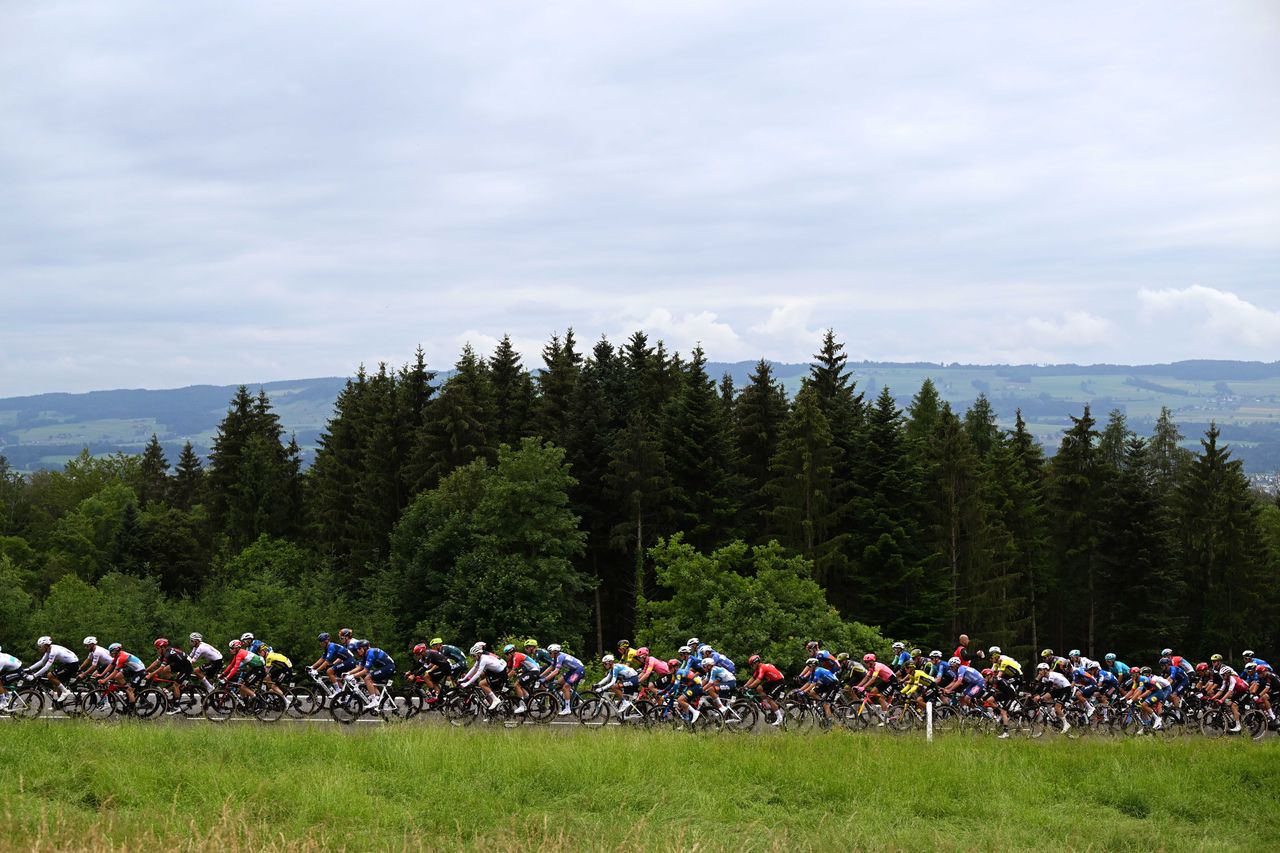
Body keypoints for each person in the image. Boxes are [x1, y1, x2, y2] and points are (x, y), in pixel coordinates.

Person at [24, 636, 79, 703]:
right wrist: (29, 668)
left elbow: (46, 667)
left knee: (50, 675)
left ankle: (65, 691)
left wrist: (34, 676)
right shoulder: (48, 649)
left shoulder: (53, 651)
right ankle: (59, 705)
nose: (40, 648)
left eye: (41, 646)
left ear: (46, 646)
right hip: (69, 663)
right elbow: (42, 662)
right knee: (57, 684)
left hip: (73, 664)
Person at [145, 638, 193, 709]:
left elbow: (160, 668)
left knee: (176, 685)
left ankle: (176, 707)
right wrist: (145, 670)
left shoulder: (168, 654)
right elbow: (156, 662)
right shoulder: (164, 652)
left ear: (162, 647)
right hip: (180, 664)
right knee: (165, 670)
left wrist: (150, 675)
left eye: (157, 648)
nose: (157, 650)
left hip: (186, 667)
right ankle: (174, 682)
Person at [539, 643, 585, 715]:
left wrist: (545, 679)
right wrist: (540, 675)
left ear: (555, 652)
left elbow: (556, 671)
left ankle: (567, 709)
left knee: (565, 687)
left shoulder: (560, 657)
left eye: (550, 652)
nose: (549, 654)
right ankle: (566, 696)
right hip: (573, 670)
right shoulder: (556, 657)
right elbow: (551, 667)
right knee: (558, 683)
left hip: (579, 671)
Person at [459, 642, 507, 711]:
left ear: (478, 654)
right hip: (495, 670)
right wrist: (464, 679)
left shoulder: (484, 659)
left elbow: (477, 673)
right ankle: (490, 701)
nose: (473, 658)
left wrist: (467, 683)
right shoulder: (480, 657)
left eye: (474, 656)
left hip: (500, 673)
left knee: (481, 684)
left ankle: (496, 699)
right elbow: (473, 668)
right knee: (482, 677)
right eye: (471, 656)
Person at [742, 655, 787, 726]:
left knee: (769, 698)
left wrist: (749, 687)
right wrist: (744, 686)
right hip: (773, 681)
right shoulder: (758, 668)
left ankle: (779, 717)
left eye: (752, 665)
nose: (751, 666)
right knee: (759, 688)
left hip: (779, 682)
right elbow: (753, 678)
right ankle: (768, 705)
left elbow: (758, 680)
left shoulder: (762, 668)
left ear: (756, 663)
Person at [1033, 662, 1074, 734]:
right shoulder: (1044, 678)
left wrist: (1039, 696)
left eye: (1041, 670)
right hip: (1059, 689)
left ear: (1046, 670)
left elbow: (1047, 688)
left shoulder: (1051, 675)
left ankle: (1066, 724)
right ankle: (1053, 712)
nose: (1039, 672)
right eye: (1039, 670)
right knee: (1045, 697)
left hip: (1066, 688)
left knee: (1057, 707)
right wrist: (1032, 694)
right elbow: (1040, 688)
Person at [0, 646, 23, 712]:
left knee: (0, 682)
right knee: (2, 682)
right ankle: (8, 698)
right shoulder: (1, 655)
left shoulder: (1, 660)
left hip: (18, 671)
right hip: (14, 669)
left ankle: (4, 702)